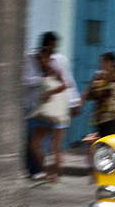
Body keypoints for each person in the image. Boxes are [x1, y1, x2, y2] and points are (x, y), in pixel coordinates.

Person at [22, 32, 81, 179]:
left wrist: (74, 102)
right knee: (33, 143)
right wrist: (41, 80)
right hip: (37, 109)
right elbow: (25, 80)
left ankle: (53, 176)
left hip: (55, 111)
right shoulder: (29, 58)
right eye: (50, 49)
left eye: (51, 53)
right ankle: (40, 172)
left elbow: (67, 83)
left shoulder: (58, 62)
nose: (52, 54)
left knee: (54, 146)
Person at [27, 51, 71, 187]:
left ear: (48, 59)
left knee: (55, 148)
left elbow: (65, 85)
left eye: (43, 59)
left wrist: (50, 93)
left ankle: (57, 177)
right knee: (34, 145)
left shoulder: (55, 71)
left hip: (57, 114)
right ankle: (46, 173)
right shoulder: (40, 74)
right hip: (44, 114)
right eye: (39, 60)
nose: (41, 63)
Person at [82, 52, 115, 137]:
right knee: (103, 141)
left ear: (112, 62)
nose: (102, 64)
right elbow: (88, 92)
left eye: (104, 62)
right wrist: (81, 103)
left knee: (113, 141)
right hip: (101, 117)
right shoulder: (98, 76)